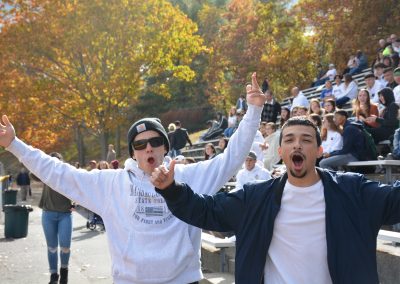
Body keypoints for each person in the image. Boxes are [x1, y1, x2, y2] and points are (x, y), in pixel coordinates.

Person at [0, 73, 266, 284]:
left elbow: (230, 158)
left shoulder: (188, 176)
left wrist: (253, 112)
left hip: (183, 280)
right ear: (133, 152)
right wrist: (14, 144)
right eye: (140, 145)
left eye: (153, 142)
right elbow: (59, 173)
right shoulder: (112, 183)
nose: (147, 148)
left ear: (164, 147)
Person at [152, 116, 400, 283]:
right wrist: (171, 190)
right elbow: (207, 210)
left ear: (320, 151)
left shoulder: (351, 192)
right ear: (280, 152)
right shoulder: (256, 198)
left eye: (306, 140)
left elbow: (394, 201)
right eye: (289, 140)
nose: (297, 146)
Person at [37, 152, 73, 284]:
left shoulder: (67, 174)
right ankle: (53, 275)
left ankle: (64, 272)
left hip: (65, 214)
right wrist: (42, 163)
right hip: (48, 214)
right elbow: (32, 174)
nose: (54, 163)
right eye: (51, 161)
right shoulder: (44, 173)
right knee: (52, 247)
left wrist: (75, 203)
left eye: (57, 161)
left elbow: (79, 187)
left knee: (65, 247)